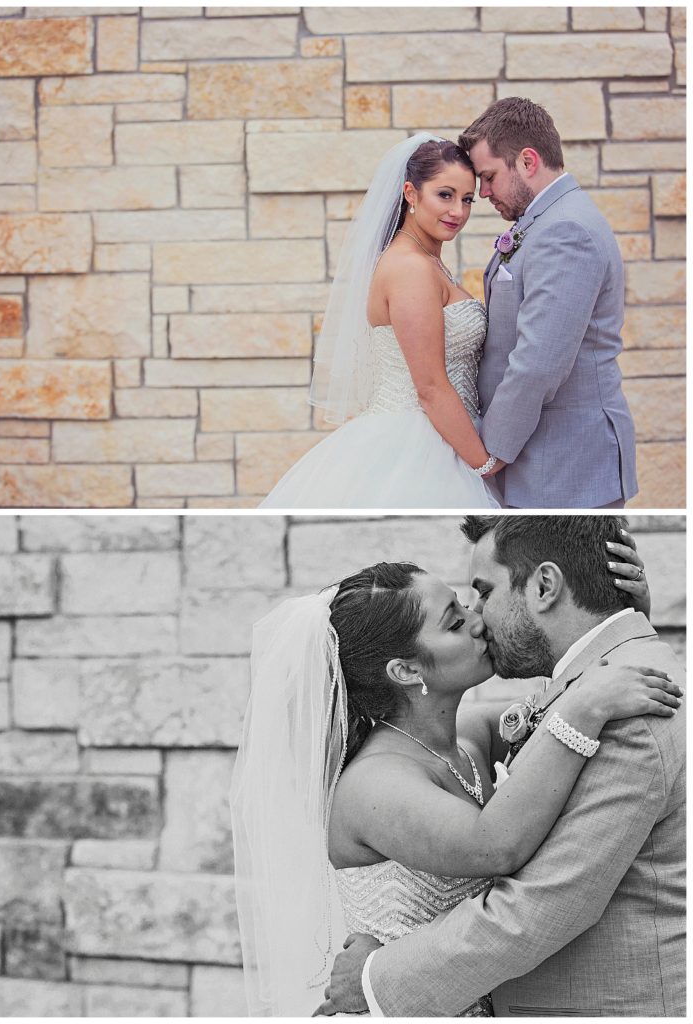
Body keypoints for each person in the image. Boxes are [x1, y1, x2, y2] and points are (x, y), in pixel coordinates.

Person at [230, 517, 681, 1016]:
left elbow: (541, 715)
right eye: (454, 618)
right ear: (406, 670)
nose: (477, 617)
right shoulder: (376, 782)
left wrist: (613, 619)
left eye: (475, 598)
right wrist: (584, 699)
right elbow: (494, 845)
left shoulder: (469, 739)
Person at [260, 133, 500, 509]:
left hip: (448, 434)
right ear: (410, 193)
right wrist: (486, 464)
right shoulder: (409, 268)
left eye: (467, 199)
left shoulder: (426, 261)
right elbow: (431, 387)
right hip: (421, 442)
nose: (458, 211)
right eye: (445, 195)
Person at [460, 97, 638, 508]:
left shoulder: (566, 230)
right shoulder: (547, 220)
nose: (483, 192)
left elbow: (539, 362)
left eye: (488, 177)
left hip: (566, 468)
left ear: (527, 161)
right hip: (546, 463)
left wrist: (491, 454)